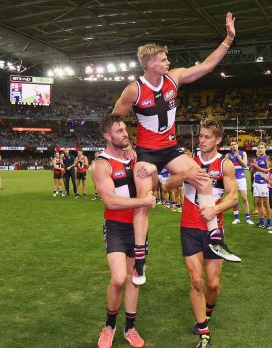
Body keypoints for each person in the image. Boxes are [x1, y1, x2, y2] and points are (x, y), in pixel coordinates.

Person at [111, 13, 237, 284]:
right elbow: (114, 119)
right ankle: (140, 258)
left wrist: (228, 39)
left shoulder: (174, 78)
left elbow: (206, 66)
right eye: (164, 59)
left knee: (202, 178)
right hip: (146, 152)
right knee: (144, 201)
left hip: (170, 149)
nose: (170, 62)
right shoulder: (133, 90)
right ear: (151, 63)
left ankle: (215, 237)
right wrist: (127, 146)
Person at [163, 117, 238, 348]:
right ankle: (204, 332)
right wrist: (185, 175)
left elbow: (233, 197)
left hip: (214, 230)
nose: (202, 140)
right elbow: (167, 185)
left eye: (207, 137)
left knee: (212, 284)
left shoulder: (225, 164)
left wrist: (214, 209)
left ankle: (207, 312)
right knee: (196, 281)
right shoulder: (188, 161)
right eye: (201, 136)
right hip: (189, 228)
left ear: (218, 139)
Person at [93, 114, 154, 348]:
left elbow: (152, 185)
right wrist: (143, 202)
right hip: (116, 226)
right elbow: (111, 201)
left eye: (125, 129)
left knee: (133, 280)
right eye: (119, 131)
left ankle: (130, 328)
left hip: (138, 227)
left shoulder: (134, 157)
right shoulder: (101, 164)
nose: (125, 133)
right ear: (107, 136)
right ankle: (109, 325)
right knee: (118, 278)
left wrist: (152, 171)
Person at [227, 141, 253, 224]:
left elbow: (245, 165)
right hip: (232, 179)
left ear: (237, 145)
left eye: (235, 144)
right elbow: (226, 167)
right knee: (234, 198)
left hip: (241, 178)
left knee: (244, 198)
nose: (233, 146)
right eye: (232, 144)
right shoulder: (228, 155)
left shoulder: (243, 153)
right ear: (230, 147)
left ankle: (248, 218)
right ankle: (236, 218)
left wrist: (238, 158)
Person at [250, 142, 271, 229]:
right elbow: (251, 172)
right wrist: (253, 167)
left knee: (266, 203)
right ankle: (261, 222)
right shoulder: (257, 159)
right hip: (256, 183)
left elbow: (268, 170)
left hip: (264, 183)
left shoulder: (268, 159)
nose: (260, 149)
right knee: (258, 203)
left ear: (265, 149)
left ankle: (269, 223)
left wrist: (257, 167)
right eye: (258, 147)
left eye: (262, 147)